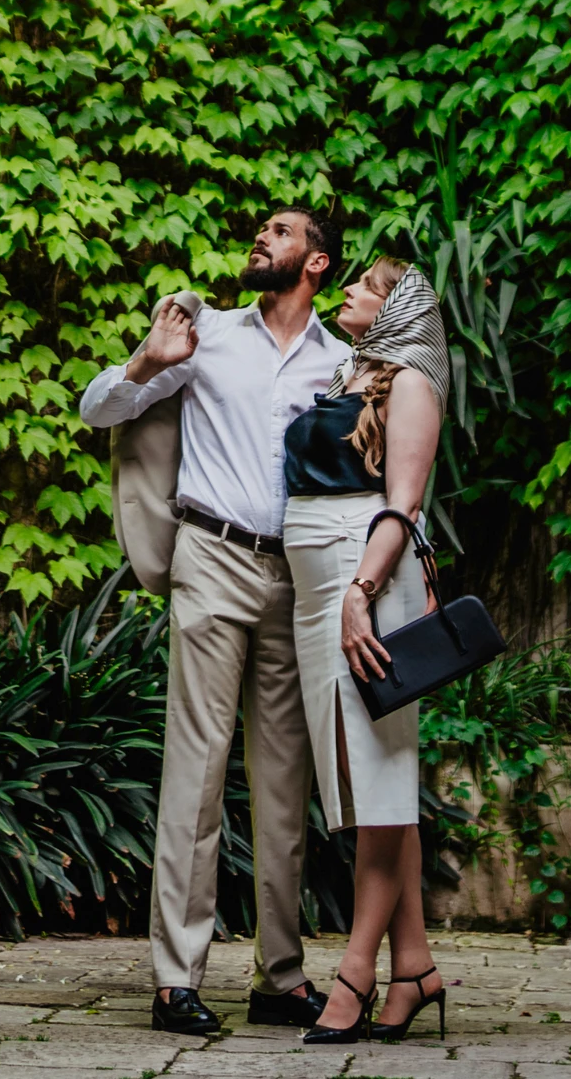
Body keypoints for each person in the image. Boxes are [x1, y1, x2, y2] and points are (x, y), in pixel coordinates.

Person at [78, 208, 345, 1037]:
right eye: (261, 229)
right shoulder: (207, 336)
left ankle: (279, 975)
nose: (261, 238)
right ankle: (174, 979)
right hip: (209, 558)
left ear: (317, 264)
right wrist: (145, 359)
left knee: (281, 785)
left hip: (295, 576)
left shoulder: (340, 363)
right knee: (193, 774)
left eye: (282, 232)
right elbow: (98, 410)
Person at [281, 255, 451, 1045]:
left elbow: (404, 502)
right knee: (372, 786)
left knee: (375, 792)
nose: (346, 291)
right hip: (324, 588)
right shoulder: (354, 375)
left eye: (365, 286)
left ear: (396, 307)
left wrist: (357, 594)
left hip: (366, 583)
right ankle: (413, 966)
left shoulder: (411, 380)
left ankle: (353, 974)